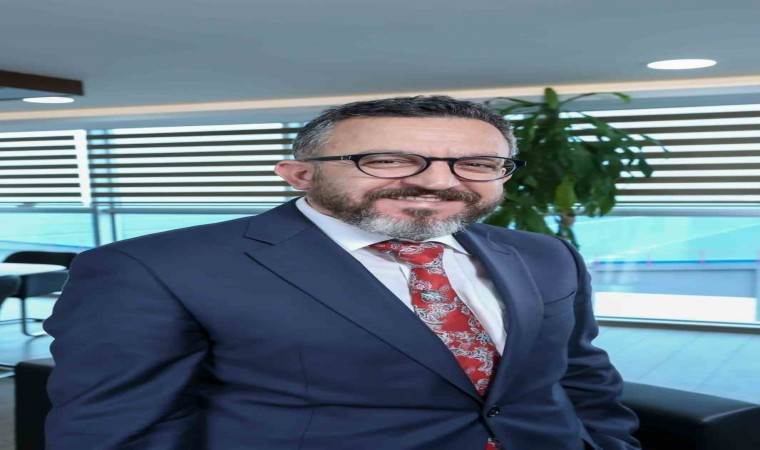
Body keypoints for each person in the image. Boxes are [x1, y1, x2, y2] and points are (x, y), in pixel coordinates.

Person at [44, 95, 641, 450]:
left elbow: (581, 377)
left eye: (477, 163)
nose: (439, 181)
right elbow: (116, 431)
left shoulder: (544, 254)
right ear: (300, 174)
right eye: (388, 160)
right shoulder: (151, 269)